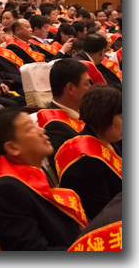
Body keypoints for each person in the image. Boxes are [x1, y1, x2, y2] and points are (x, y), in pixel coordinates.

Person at [0, 108, 86, 251]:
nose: (42, 131)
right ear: (13, 147)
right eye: (30, 128)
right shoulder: (7, 191)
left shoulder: (32, 169)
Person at [55, 85, 122, 221]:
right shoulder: (85, 159)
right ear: (104, 117)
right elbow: (102, 214)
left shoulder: (110, 139)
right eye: (122, 117)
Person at [36, 59, 91, 174]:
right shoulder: (54, 125)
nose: (91, 88)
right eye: (87, 84)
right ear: (71, 88)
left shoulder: (84, 111)